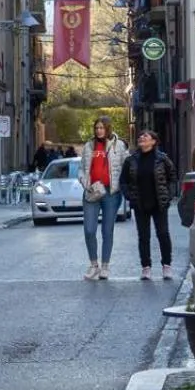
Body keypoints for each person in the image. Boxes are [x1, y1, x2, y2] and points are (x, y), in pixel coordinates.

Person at [122, 128, 178, 280]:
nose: (142, 138)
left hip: (159, 202)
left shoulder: (162, 159)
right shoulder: (131, 160)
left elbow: (173, 177)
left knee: (163, 234)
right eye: (140, 136)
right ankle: (146, 267)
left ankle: (167, 266)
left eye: (146, 136)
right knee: (143, 236)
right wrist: (129, 196)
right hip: (140, 203)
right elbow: (124, 181)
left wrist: (169, 195)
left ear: (153, 141)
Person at [80, 116, 129, 280]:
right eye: (96, 128)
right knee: (89, 230)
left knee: (107, 230)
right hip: (92, 191)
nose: (98, 130)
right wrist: (84, 182)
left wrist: (124, 184)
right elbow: (82, 168)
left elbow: (126, 166)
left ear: (107, 128)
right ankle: (94, 265)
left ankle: (105, 266)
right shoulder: (88, 145)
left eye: (101, 128)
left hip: (111, 193)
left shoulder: (118, 145)